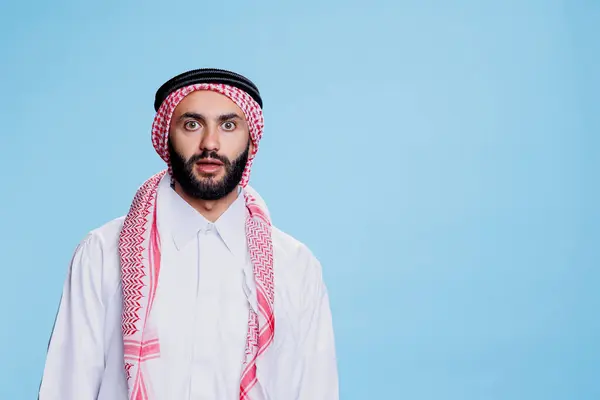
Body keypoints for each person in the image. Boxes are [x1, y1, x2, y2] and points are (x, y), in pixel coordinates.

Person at [38, 68, 339, 400]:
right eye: (192, 124)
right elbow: (66, 388)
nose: (210, 143)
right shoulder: (102, 253)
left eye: (228, 125)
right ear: (166, 138)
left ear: (251, 140)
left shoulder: (295, 266)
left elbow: (316, 390)